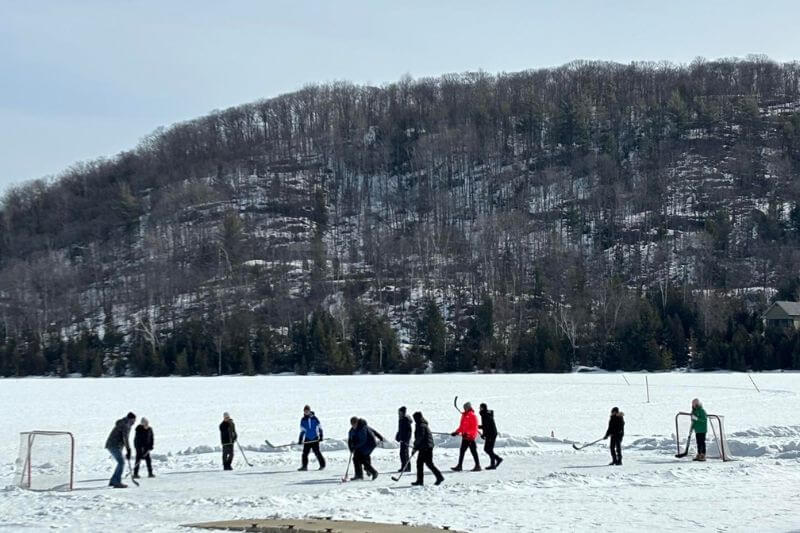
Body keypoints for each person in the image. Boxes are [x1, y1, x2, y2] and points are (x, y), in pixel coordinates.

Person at [411, 411, 444, 486]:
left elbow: (420, 437)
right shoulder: (422, 424)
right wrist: (416, 447)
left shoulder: (421, 425)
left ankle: (421, 480)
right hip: (426, 446)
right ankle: (437, 477)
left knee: (422, 463)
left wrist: (415, 447)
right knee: (426, 463)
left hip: (425, 447)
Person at [105, 412, 136, 488]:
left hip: (114, 445)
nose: (134, 422)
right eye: (134, 420)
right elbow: (125, 438)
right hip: (114, 445)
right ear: (131, 419)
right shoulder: (126, 425)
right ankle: (116, 482)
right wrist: (128, 449)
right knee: (121, 462)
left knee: (121, 462)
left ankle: (113, 480)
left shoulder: (124, 423)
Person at [451, 401, 481, 471]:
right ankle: (460, 466)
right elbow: (462, 427)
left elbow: (474, 428)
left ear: (469, 407)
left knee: (473, 451)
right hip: (465, 437)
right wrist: (456, 432)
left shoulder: (472, 416)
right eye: (464, 408)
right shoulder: (464, 415)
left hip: (470, 437)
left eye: (466, 407)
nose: (465, 409)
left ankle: (477, 466)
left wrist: (468, 433)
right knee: (462, 451)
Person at [297, 405, 326, 471]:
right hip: (307, 438)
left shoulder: (315, 418)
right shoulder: (303, 420)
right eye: (305, 411)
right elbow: (302, 430)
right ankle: (304, 466)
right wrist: (300, 439)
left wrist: (321, 436)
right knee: (305, 453)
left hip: (315, 438)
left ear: (310, 411)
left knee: (317, 452)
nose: (306, 412)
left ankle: (322, 465)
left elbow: (320, 427)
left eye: (307, 411)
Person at [479, 403, 503, 469]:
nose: (479, 408)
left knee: (488, 449)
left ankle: (495, 462)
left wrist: (483, 433)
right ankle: (496, 461)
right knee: (489, 449)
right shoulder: (485, 414)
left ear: (483, 408)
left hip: (491, 434)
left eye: (480, 407)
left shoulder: (485, 415)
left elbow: (486, 426)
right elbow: (486, 426)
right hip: (491, 433)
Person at [395, 406, 412, 472]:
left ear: (402, 412)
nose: (398, 413)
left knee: (404, 453)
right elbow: (400, 429)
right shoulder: (401, 419)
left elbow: (408, 431)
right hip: (402, 439)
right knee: (403, 453)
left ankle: (406, 467)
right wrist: (398, 436)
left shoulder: (405, 419)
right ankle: (405, 467)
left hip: (405, 439)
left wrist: (406, 439)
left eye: (399, 412)